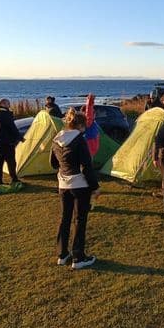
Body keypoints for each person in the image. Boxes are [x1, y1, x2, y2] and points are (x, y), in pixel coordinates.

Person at [50, 108, 101, 268]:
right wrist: (95, 187)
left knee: (65, 218)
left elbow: (53, 164)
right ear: (80, 125)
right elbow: (86, 167)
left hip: (63, 184)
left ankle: (62, 254)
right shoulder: (79, 139)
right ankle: (78, 257)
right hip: (79, 185)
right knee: (80, 219)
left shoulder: (57, 138)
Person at [0, 98, 24, 187]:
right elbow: (12, 127)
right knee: (11, 161)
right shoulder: (6, 114)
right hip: (6, 142)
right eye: (8, 104)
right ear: (4, 104)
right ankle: (14, 179)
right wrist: (19, 138)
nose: (9, 105)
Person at [80, 93, 101, 157]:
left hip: (91, 148)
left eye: (94, 113)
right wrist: (90, 101)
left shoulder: (92, 122)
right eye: (92, 113)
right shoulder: (87, 122)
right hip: (90, 148)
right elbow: (89, 114)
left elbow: (89, 114)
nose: (94, 114)